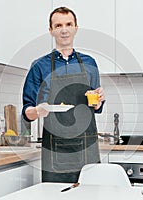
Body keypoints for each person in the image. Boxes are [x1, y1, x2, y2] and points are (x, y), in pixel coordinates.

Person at [22, 6, 105, 183]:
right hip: (55, 148)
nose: (64, 30)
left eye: (69, 24)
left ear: (76, 28)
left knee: (90, 194)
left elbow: (96, 105)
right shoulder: (39, 66)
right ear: (51, 31)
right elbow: (27, 112)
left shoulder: (90, 63)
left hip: (87, 145)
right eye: (58, 25)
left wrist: (98, 102)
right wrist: (38, 110)